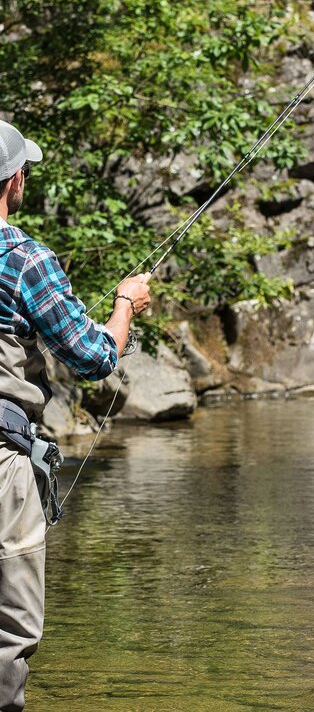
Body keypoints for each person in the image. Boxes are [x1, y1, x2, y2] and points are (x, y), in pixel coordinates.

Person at [0, 119, 151, 710]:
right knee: (10, 629)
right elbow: (92, 357)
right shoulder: (23, 259)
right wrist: (125, 307)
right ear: (12, 179)